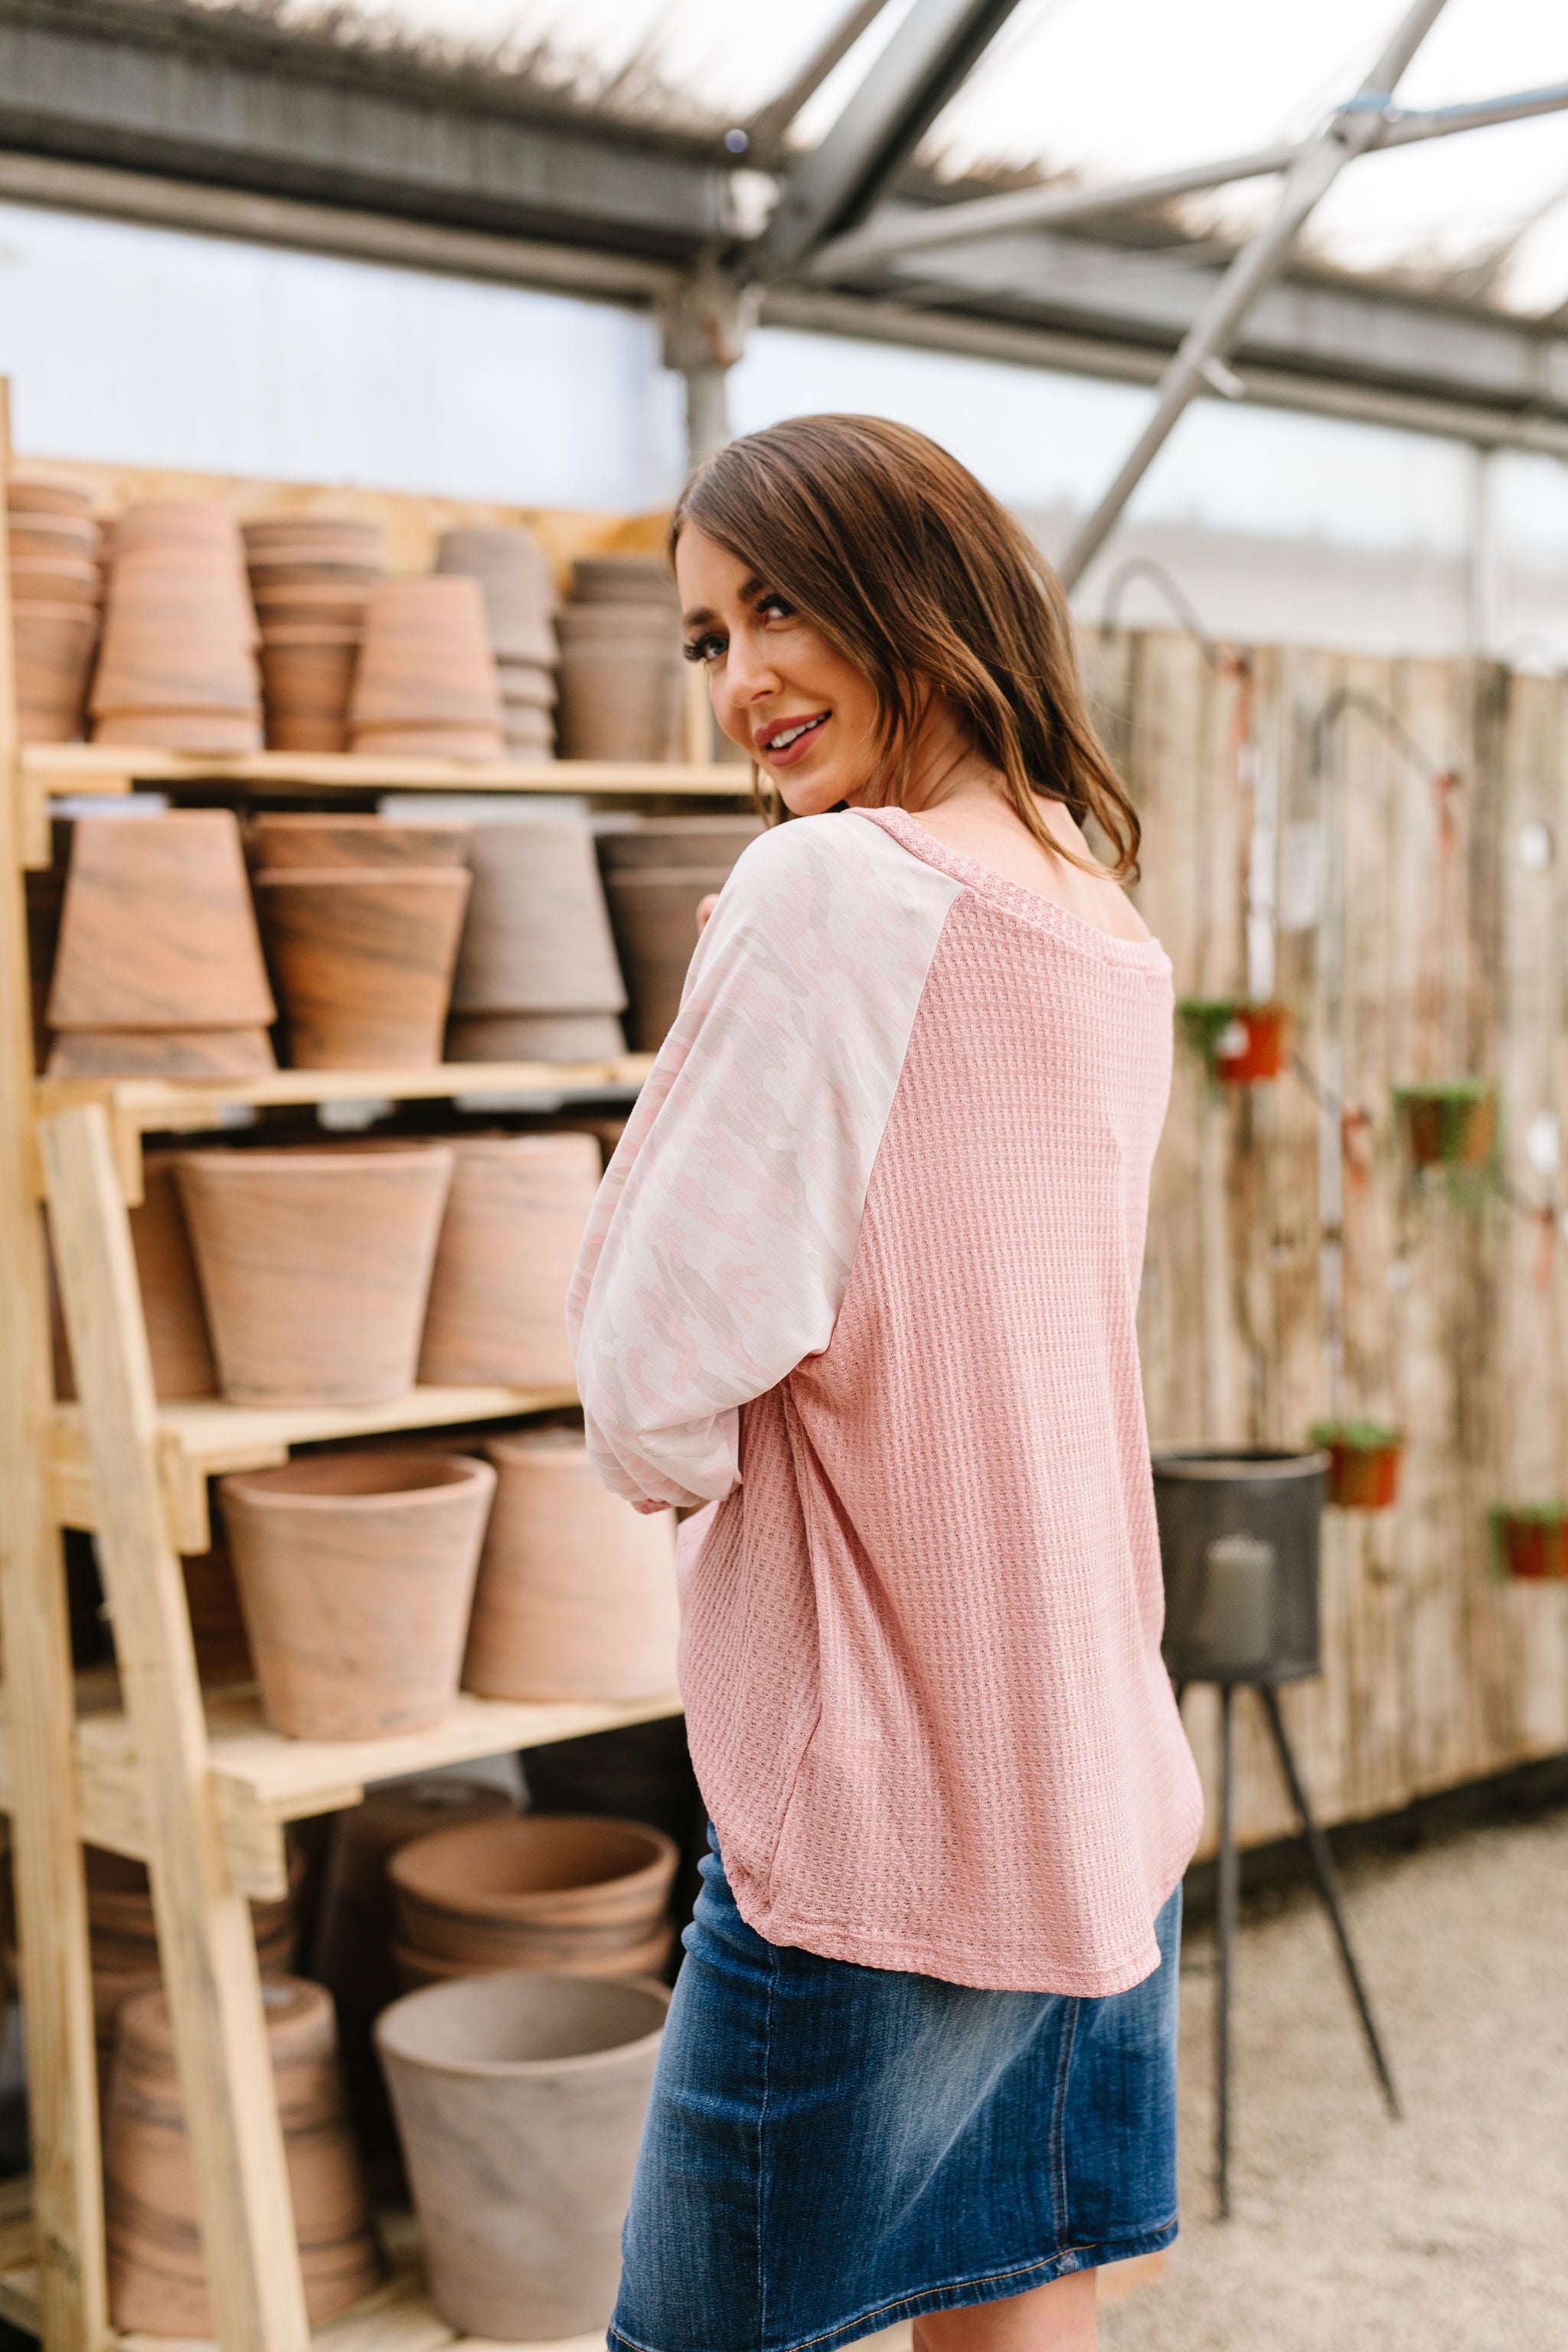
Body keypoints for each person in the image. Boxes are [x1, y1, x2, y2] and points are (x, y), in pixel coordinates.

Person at [567, 414, 1204, 2352]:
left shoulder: (839, 894)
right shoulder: (1103, 929)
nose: (741, 676)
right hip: (1088, 1758)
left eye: (778, 603)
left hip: (883, 1800)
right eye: (702, 638)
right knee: (1016, 2298)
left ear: (914, 586)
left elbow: (651, 1380)